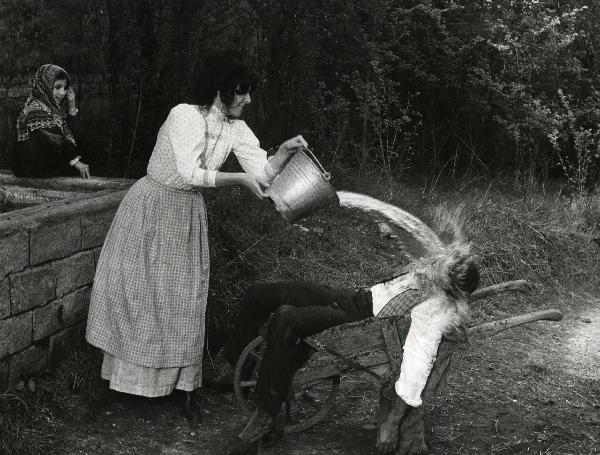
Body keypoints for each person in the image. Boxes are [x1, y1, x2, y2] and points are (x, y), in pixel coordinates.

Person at [85, 50, 307, 421]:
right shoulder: (184, 115)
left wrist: (284, 151)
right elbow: (189, 172)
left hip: (186, 213)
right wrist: (237, 179)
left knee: (184, 300)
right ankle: (121, 384)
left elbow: (264, 174)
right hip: (151, 206)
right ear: (221, 88)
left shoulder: (234, 127)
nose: (248, 99)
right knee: (137, 295)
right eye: (243, 91)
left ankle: (186, 388)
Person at [224, 248, 479, 454]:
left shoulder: (435, 311)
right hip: (353, 298)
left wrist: (391, 424)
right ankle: (241, 369)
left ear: (448, 285)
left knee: (285, 322)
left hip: (355, 319)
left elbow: (418, 361)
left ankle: (267, 413)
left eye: (442, 265)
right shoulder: (431, 276)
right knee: (257, 295)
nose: (436, 262)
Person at [13, 64, 90, 179]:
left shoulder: (52, 109)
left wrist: (72, 106)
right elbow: (55, 139)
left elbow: (71, 138)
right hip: (31, 169)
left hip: (45, 167)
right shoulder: (36, 108)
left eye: (65, 88)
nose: (63, 93)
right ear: (45, 86)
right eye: (57, 87)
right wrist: (76, 162)